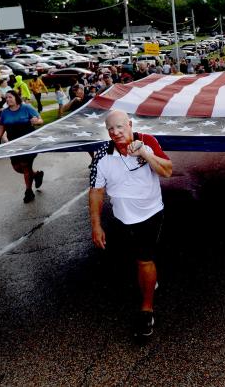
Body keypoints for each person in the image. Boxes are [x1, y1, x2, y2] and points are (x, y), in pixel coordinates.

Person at [89, 110, 173, 337]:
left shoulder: (147, 141)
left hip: (151, 213)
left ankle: (147, 310)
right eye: (110, 129)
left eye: (120, 127)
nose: (115, 132)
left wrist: (145, 154)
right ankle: (148, 280)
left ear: (130, 125)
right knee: (135, 259)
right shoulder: (101, 154)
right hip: (122, 217)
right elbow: (96, 191)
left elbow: (167, 171)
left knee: (145, 259)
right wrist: (96, 225)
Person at [0, 90, 44, 203]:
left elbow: (40, 120)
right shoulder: (5, 112)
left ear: (16, 98)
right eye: (6, 97)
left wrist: (36, 121)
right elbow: (1, 128)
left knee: (25, 165)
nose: (8, 99)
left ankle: (28, 192)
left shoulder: (26, 108)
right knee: (17, 167)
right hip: (13, 143)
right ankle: (36, 175)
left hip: (28, 142)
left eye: (10, 97)